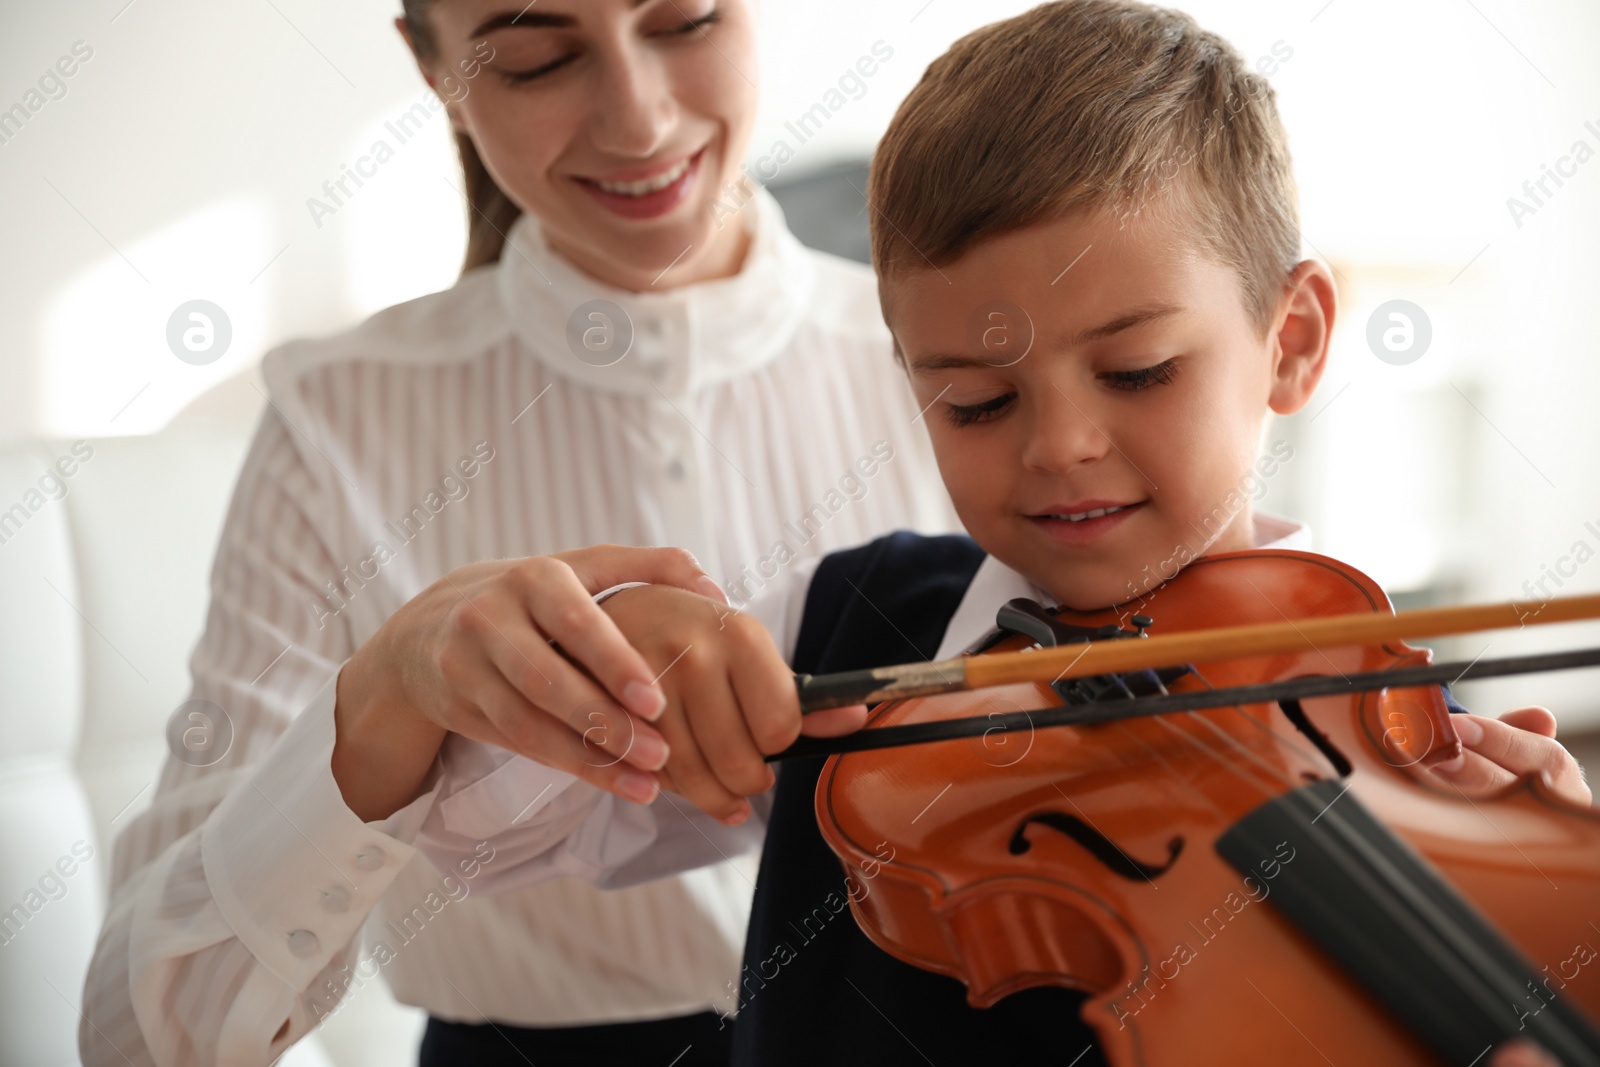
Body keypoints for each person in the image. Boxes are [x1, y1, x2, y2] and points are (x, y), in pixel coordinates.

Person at [452, 2, 1588, 1064]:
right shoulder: (844, 637)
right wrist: (605, 664)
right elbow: (483, 833)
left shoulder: (1403, 722)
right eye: (977, 402)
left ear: (1289, 340)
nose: (1058, 448)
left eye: (1137, 370)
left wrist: (1544, 902)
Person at [77, 2, 953, 1065]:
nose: (637, 120)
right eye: (538, 58)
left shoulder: (967, 373)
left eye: (683, 19)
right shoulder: (334, 421)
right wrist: (387, 698)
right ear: (433, 65)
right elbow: (139, 1035)